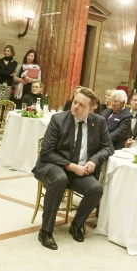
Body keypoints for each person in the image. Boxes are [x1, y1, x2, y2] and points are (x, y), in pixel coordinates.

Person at [32, 87, 113, 250]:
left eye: (81, 105)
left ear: (91, 109)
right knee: (60, 179)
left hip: (81, 170)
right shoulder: (58, 120)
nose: (75, 106)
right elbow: (46, 152)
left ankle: (76, 224)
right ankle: (46, 231)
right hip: (54, 165)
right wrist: (71, 166)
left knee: (96, 189)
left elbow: (108, 147)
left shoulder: (98, 122)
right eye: (75, 102)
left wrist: (94, 160)